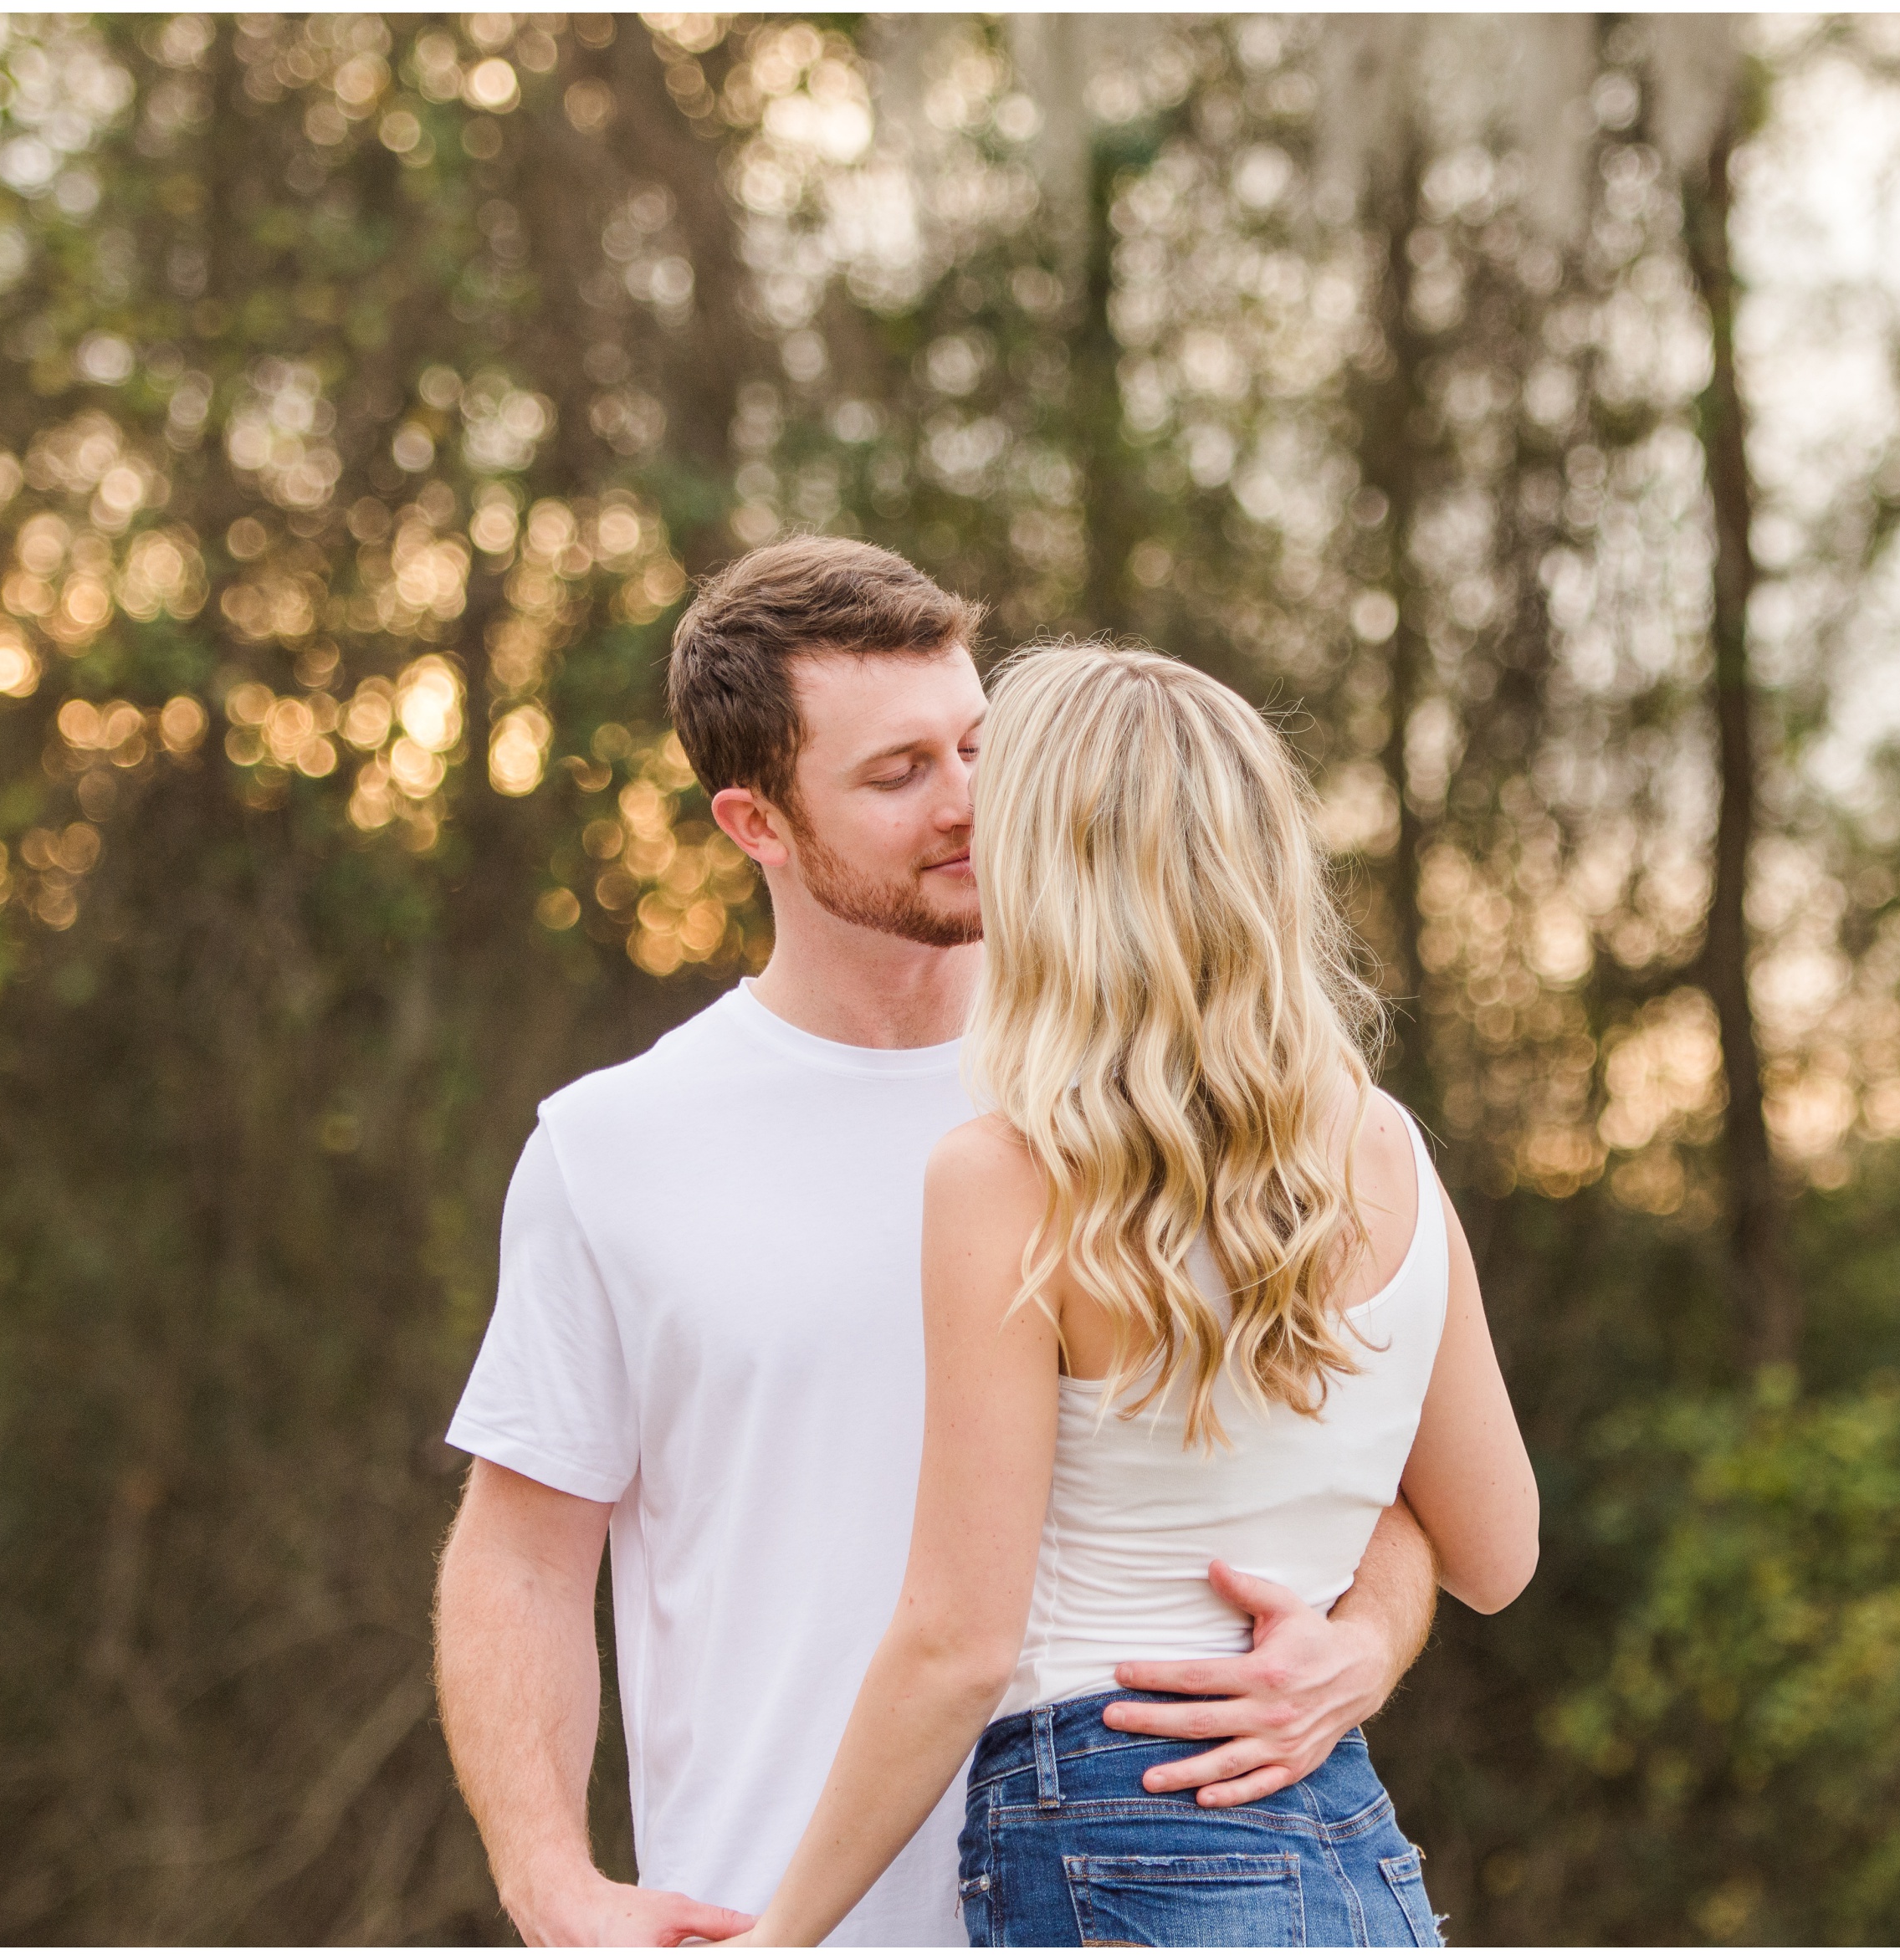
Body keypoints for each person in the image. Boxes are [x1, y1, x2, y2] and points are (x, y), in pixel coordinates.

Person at [432, 540, 1443, 1947]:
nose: (972, 803)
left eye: (979, 743)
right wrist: (550, 1884)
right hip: (774, 1924)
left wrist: (1363, 1646)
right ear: (755, 824)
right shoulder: (615, 1149)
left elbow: (1374, 1474)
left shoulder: (1161, 1097)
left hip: (1150, 1901)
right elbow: (523, 1560)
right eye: (898, 773)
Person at [726, 640, 1539, 1949]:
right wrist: (1362, 1646)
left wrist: (781, 1936)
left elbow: (957, 1644)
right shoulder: (1381, 1146)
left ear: (1045, 864)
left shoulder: (1007, 1175)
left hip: (1115, 1828)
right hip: (1349, 1847)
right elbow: (1499, 1550)